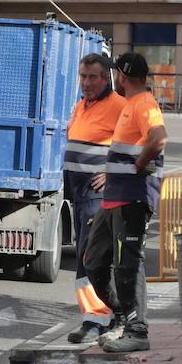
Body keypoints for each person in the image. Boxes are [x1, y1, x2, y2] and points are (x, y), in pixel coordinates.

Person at [82, 52, 168, 352]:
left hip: (132, 199)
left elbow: (158, 137)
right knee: (93, 262)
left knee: (128, 265)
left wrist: (138, 166)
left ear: (120, 75)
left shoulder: (144, 103)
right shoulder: (132, 105)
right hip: (113, 200)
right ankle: (122, 318)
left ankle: (137, 330)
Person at [63, 54, 127, 344]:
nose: (86, 83)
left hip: (98, 195)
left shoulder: (119, 107)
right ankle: (93, 316)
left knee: (94, 257)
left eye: (92, 77)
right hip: (79, 194)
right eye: (83, 76)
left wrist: (113, 174)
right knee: (83, 257)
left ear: (107, 78)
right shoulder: (82, 105)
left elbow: (139, 145)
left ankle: (103, 319)